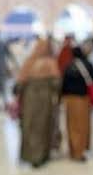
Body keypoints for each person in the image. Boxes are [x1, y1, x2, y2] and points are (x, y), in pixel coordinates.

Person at [15, 39, 61, 168]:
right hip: (44, 99)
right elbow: (57, 83)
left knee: (29, 126)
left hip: (29, 99)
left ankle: (28, 155)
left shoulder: (29, 61)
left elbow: (20, 83)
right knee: (43, 126)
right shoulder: (50, 63)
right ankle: (40, 156)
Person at [61, 46, 93, 162]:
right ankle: (80, 151)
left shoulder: (68, 66)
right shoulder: (88, 65)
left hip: (70, 100)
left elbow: (63, 84)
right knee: (83, 126)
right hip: (84, 100)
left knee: (71, 126)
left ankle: (73, 151)